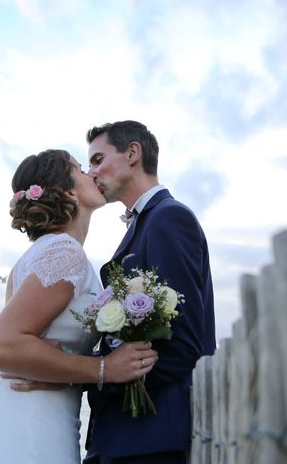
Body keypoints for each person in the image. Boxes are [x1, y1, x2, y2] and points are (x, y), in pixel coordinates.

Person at [0, 149, 159, 464]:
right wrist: (105, 369)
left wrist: (64, 367)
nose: (93, 174)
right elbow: (1, 348)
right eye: (82, 170)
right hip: (26, 425)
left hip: (28, 413)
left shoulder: (42, 253)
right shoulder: (65, 253)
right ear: (69, 192)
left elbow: (29, 349)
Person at [84, 120, 216, 463]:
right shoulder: (146, 223)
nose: (91, 171)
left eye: (98, 160)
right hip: (125, 434)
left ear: (132, 153)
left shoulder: (169, 218)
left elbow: (184, 342)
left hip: (152, 436)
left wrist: (105, 379)